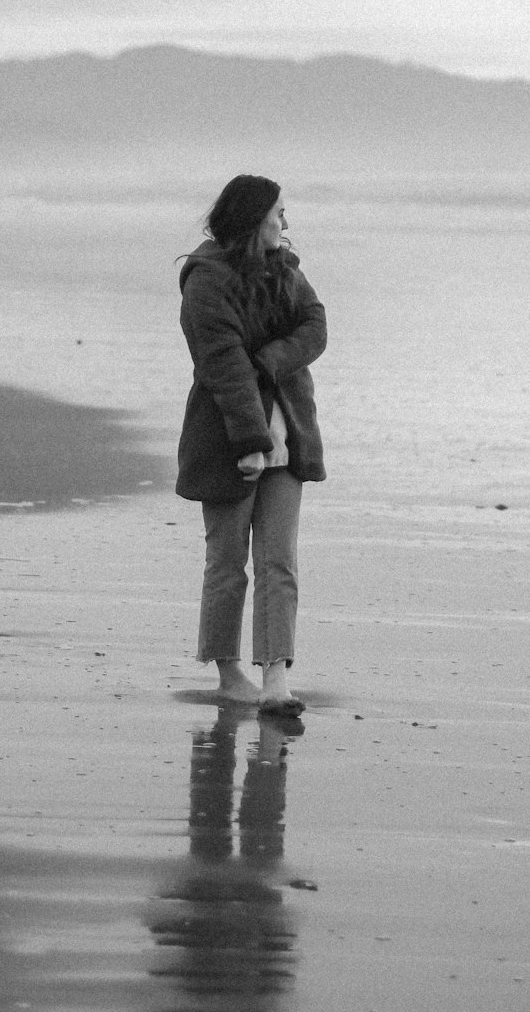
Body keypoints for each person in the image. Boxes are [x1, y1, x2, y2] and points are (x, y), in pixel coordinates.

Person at [176, 175, 327, 716]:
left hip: (291, 435)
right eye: (278, 213)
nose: (285, 224)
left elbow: (315, 326)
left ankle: (276, 679)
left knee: (278, 561)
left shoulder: (286, 268)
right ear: (252, 218)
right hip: (226, 438)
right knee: (226, 560)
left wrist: (269, 359)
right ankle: (228, 672)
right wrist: (249, 441)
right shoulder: (206, 280)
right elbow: (222, 366)